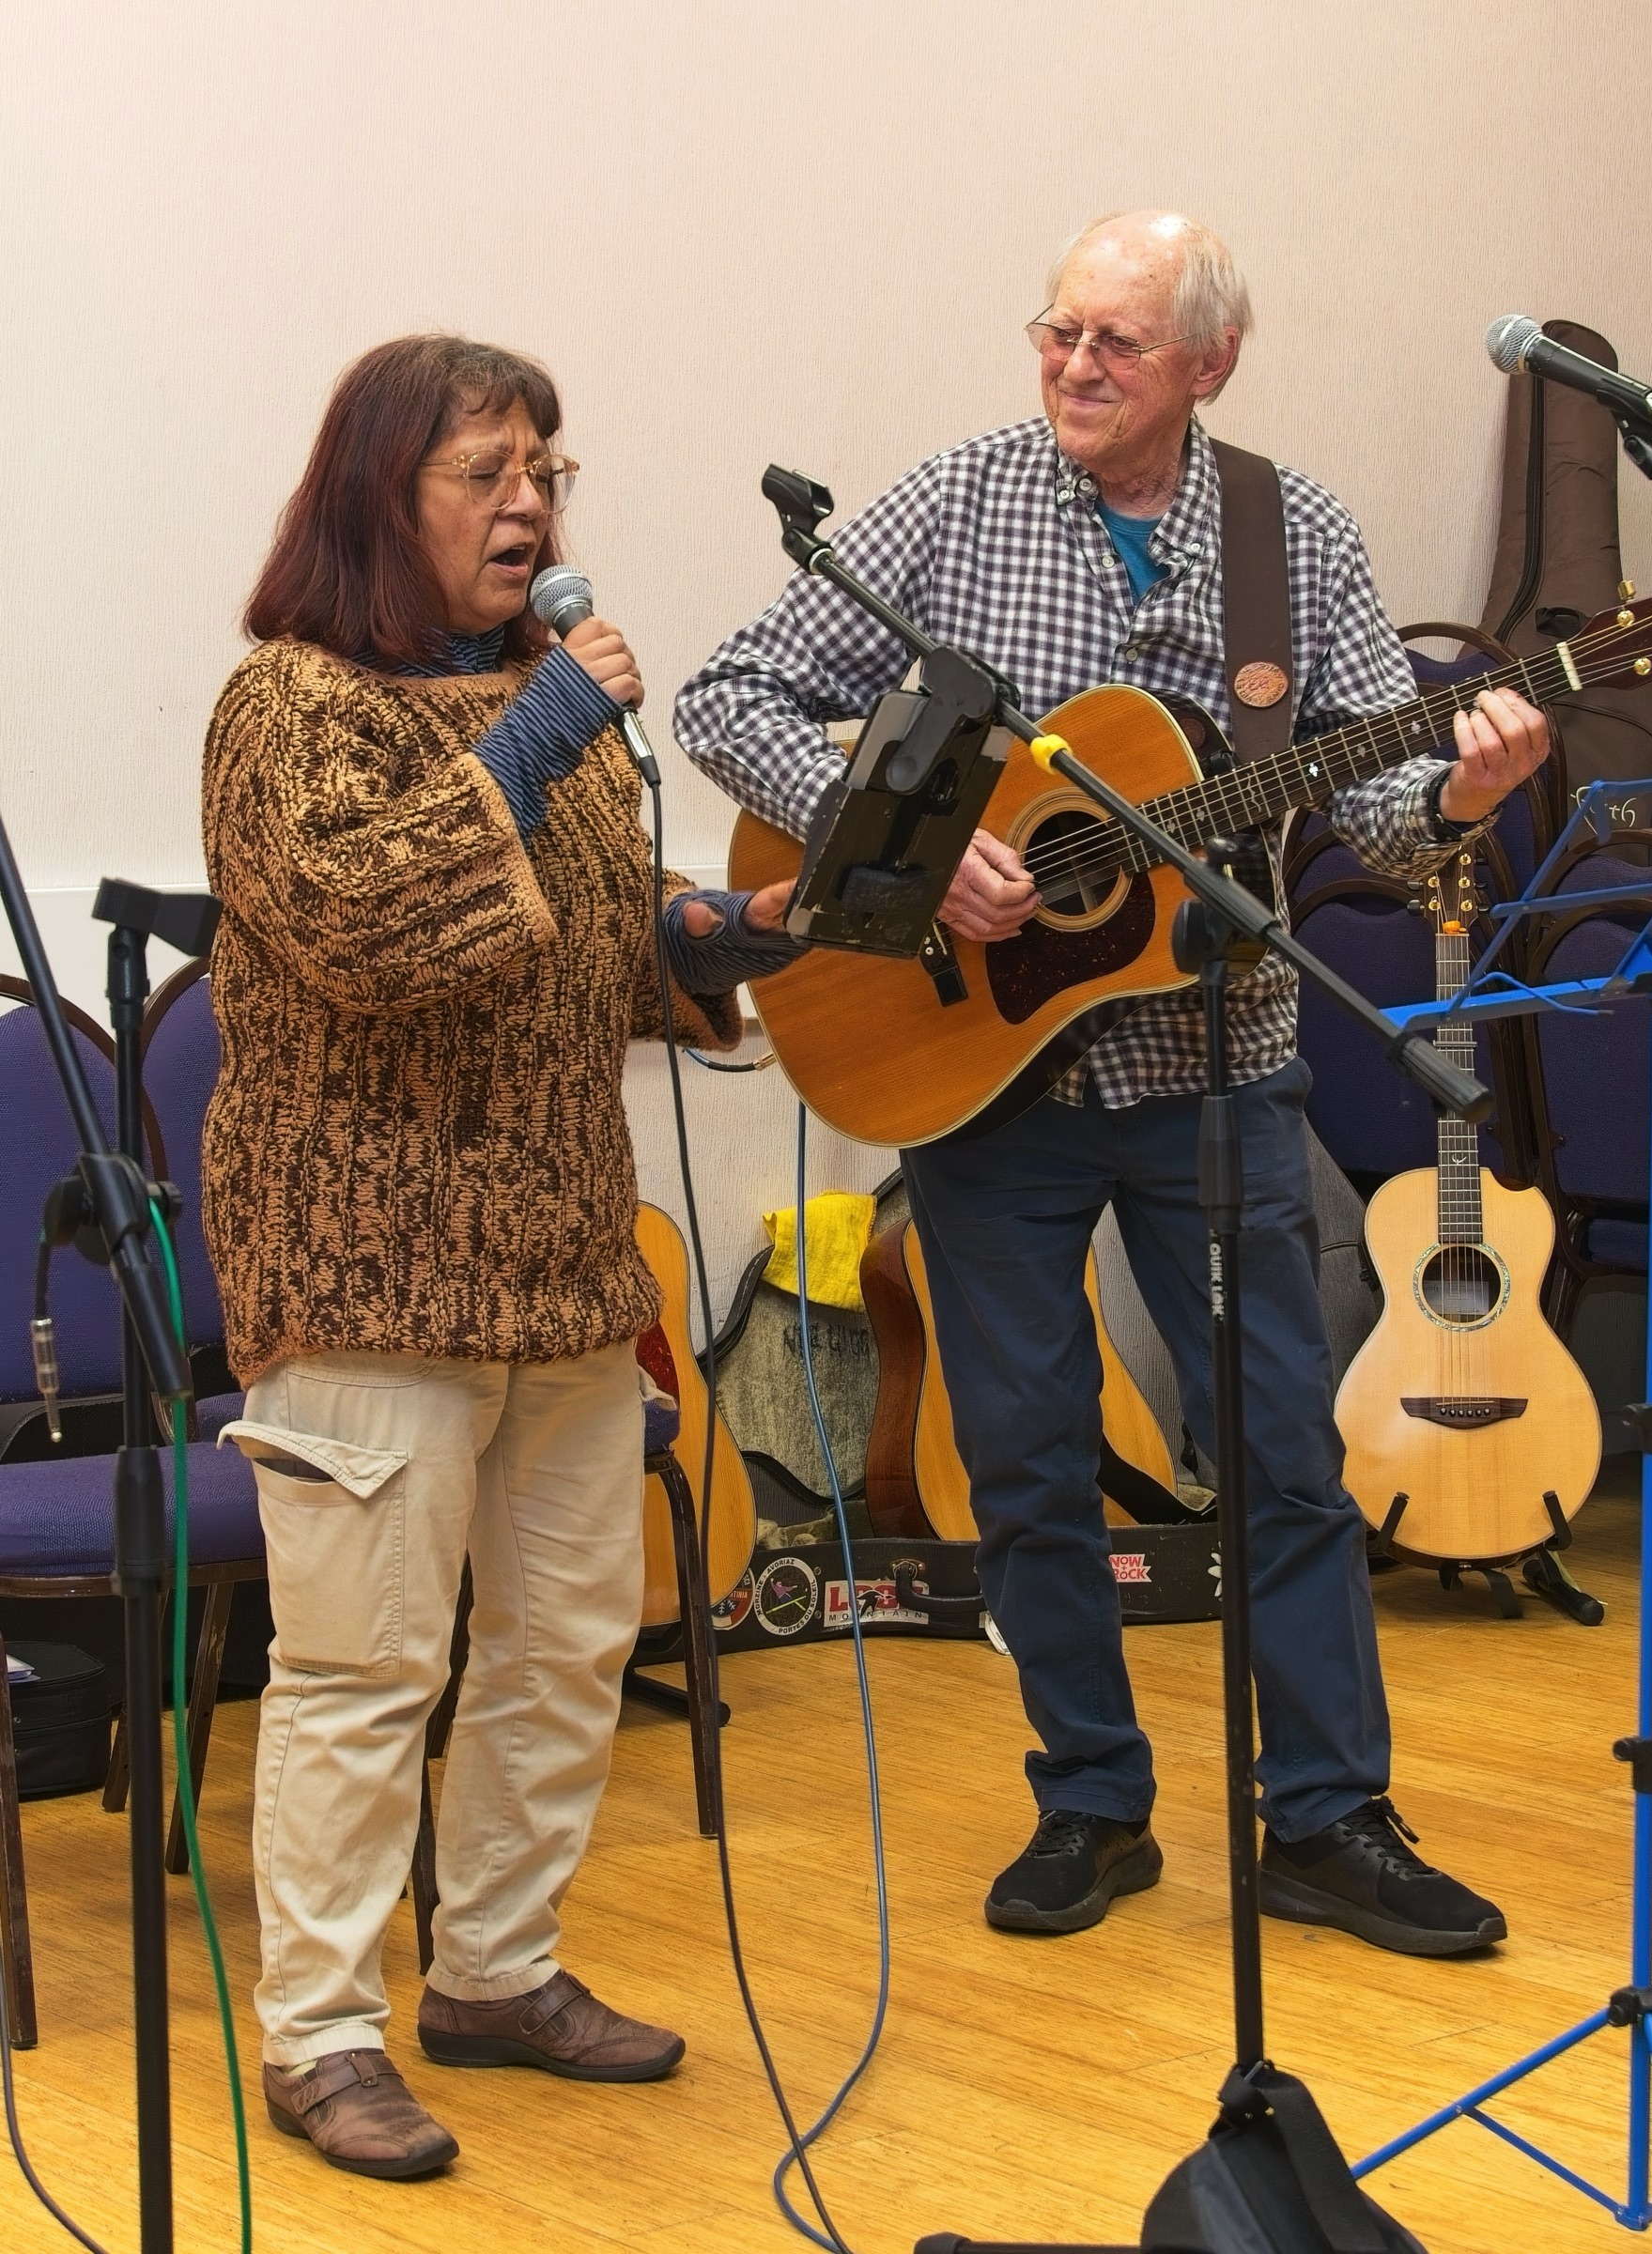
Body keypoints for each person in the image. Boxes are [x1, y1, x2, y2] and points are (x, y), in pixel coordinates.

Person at [676, 211, 1549, 1955]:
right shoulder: (957, 502)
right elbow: (729, 695)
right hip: (981, 1083)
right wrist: (910, 849)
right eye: (1057, 330)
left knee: (1284, 1455)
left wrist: (1461, 791)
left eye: (1116, 343)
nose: (1073, 365)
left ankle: (1328, 1818)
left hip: (1215, 1068)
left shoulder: (1293, 536)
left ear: (1210, 365)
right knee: (1023, 1462)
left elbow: (1374, 809)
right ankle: (1089, 1799)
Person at [203, 333, 800, 2179]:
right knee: (365, 1673)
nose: (530, 503)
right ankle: (319, 2033)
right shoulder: (290, 705)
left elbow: (597, 940)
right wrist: (543, 737)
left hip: (560, 1266)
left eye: (548, 468)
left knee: (563, 1648)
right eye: (487, 471)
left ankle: (495, 1971)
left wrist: (728, 935)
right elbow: (368, 927)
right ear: (381, 497)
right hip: (364, 1268)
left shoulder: (546, 697)